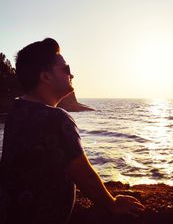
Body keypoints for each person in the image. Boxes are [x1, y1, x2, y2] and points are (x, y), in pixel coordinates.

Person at [0, 38, 145, 224]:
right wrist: (113, 203)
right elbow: (83, 173)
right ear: (45, 76)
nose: (72, 74)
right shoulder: (55, 118)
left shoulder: (16, 112)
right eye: (66, 69)